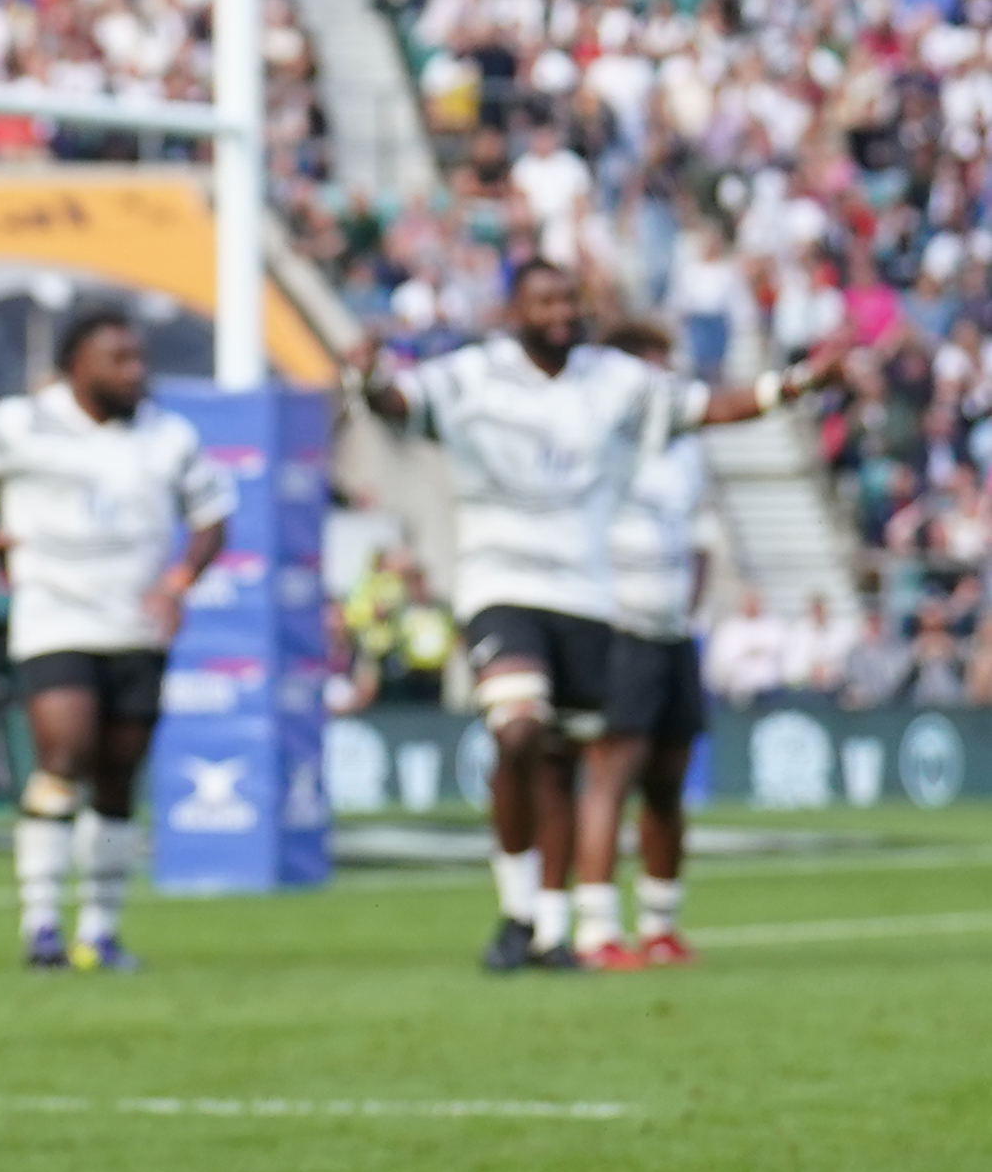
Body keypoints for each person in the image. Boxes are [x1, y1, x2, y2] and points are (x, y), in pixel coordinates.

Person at [351, 262, 827, 971]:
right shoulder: (472, 373)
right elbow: (398, 401)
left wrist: (791, 385)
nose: (560, 310)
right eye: (545, 298)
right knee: (516, 729)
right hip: (501, 581)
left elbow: (709, 407)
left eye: (569, 296)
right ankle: (516, 914)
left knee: (560, 764)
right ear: (514, 307)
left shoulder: (616, 380)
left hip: (585, 594)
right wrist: (366, 379)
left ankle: (552, 927)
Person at [0, 305, 233, 972]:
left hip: (136, 624)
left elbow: (212, 516)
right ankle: (40, 925)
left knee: (118, 777)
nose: (134, 371)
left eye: (139, 358)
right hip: (55, 615)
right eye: (118, 359)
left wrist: (179, 580)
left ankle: (99, 929)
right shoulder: (22, 422)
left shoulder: (168, 435)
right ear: (77, 366)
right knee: (64, 751)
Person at [597, 314, 711, 962]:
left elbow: (701, 538)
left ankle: (661, 924)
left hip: (673, 628)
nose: (665, 377)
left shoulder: (688, 445)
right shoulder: (598, 438)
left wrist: (691, 603)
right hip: (619, 623)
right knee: (612, 769)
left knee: (669, 775)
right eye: (651, 365)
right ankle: (596, 924)